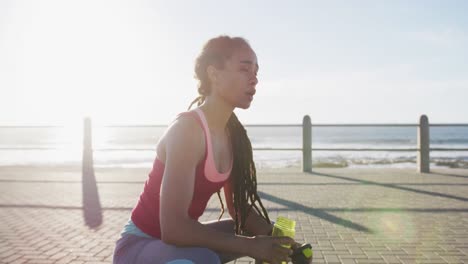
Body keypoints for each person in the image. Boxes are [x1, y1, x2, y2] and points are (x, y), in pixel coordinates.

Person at [113, 35, 302, 264]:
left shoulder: (232, 136)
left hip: (172, 246)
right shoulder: (187, 131)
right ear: (214, 74)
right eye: (245, 70)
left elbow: (239, 209)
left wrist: (283, 245)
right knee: (205, 259)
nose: (254, 80)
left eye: (256, 72)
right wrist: (251, 246)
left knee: (241, 228)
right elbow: (173, 229)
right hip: (139, 246)